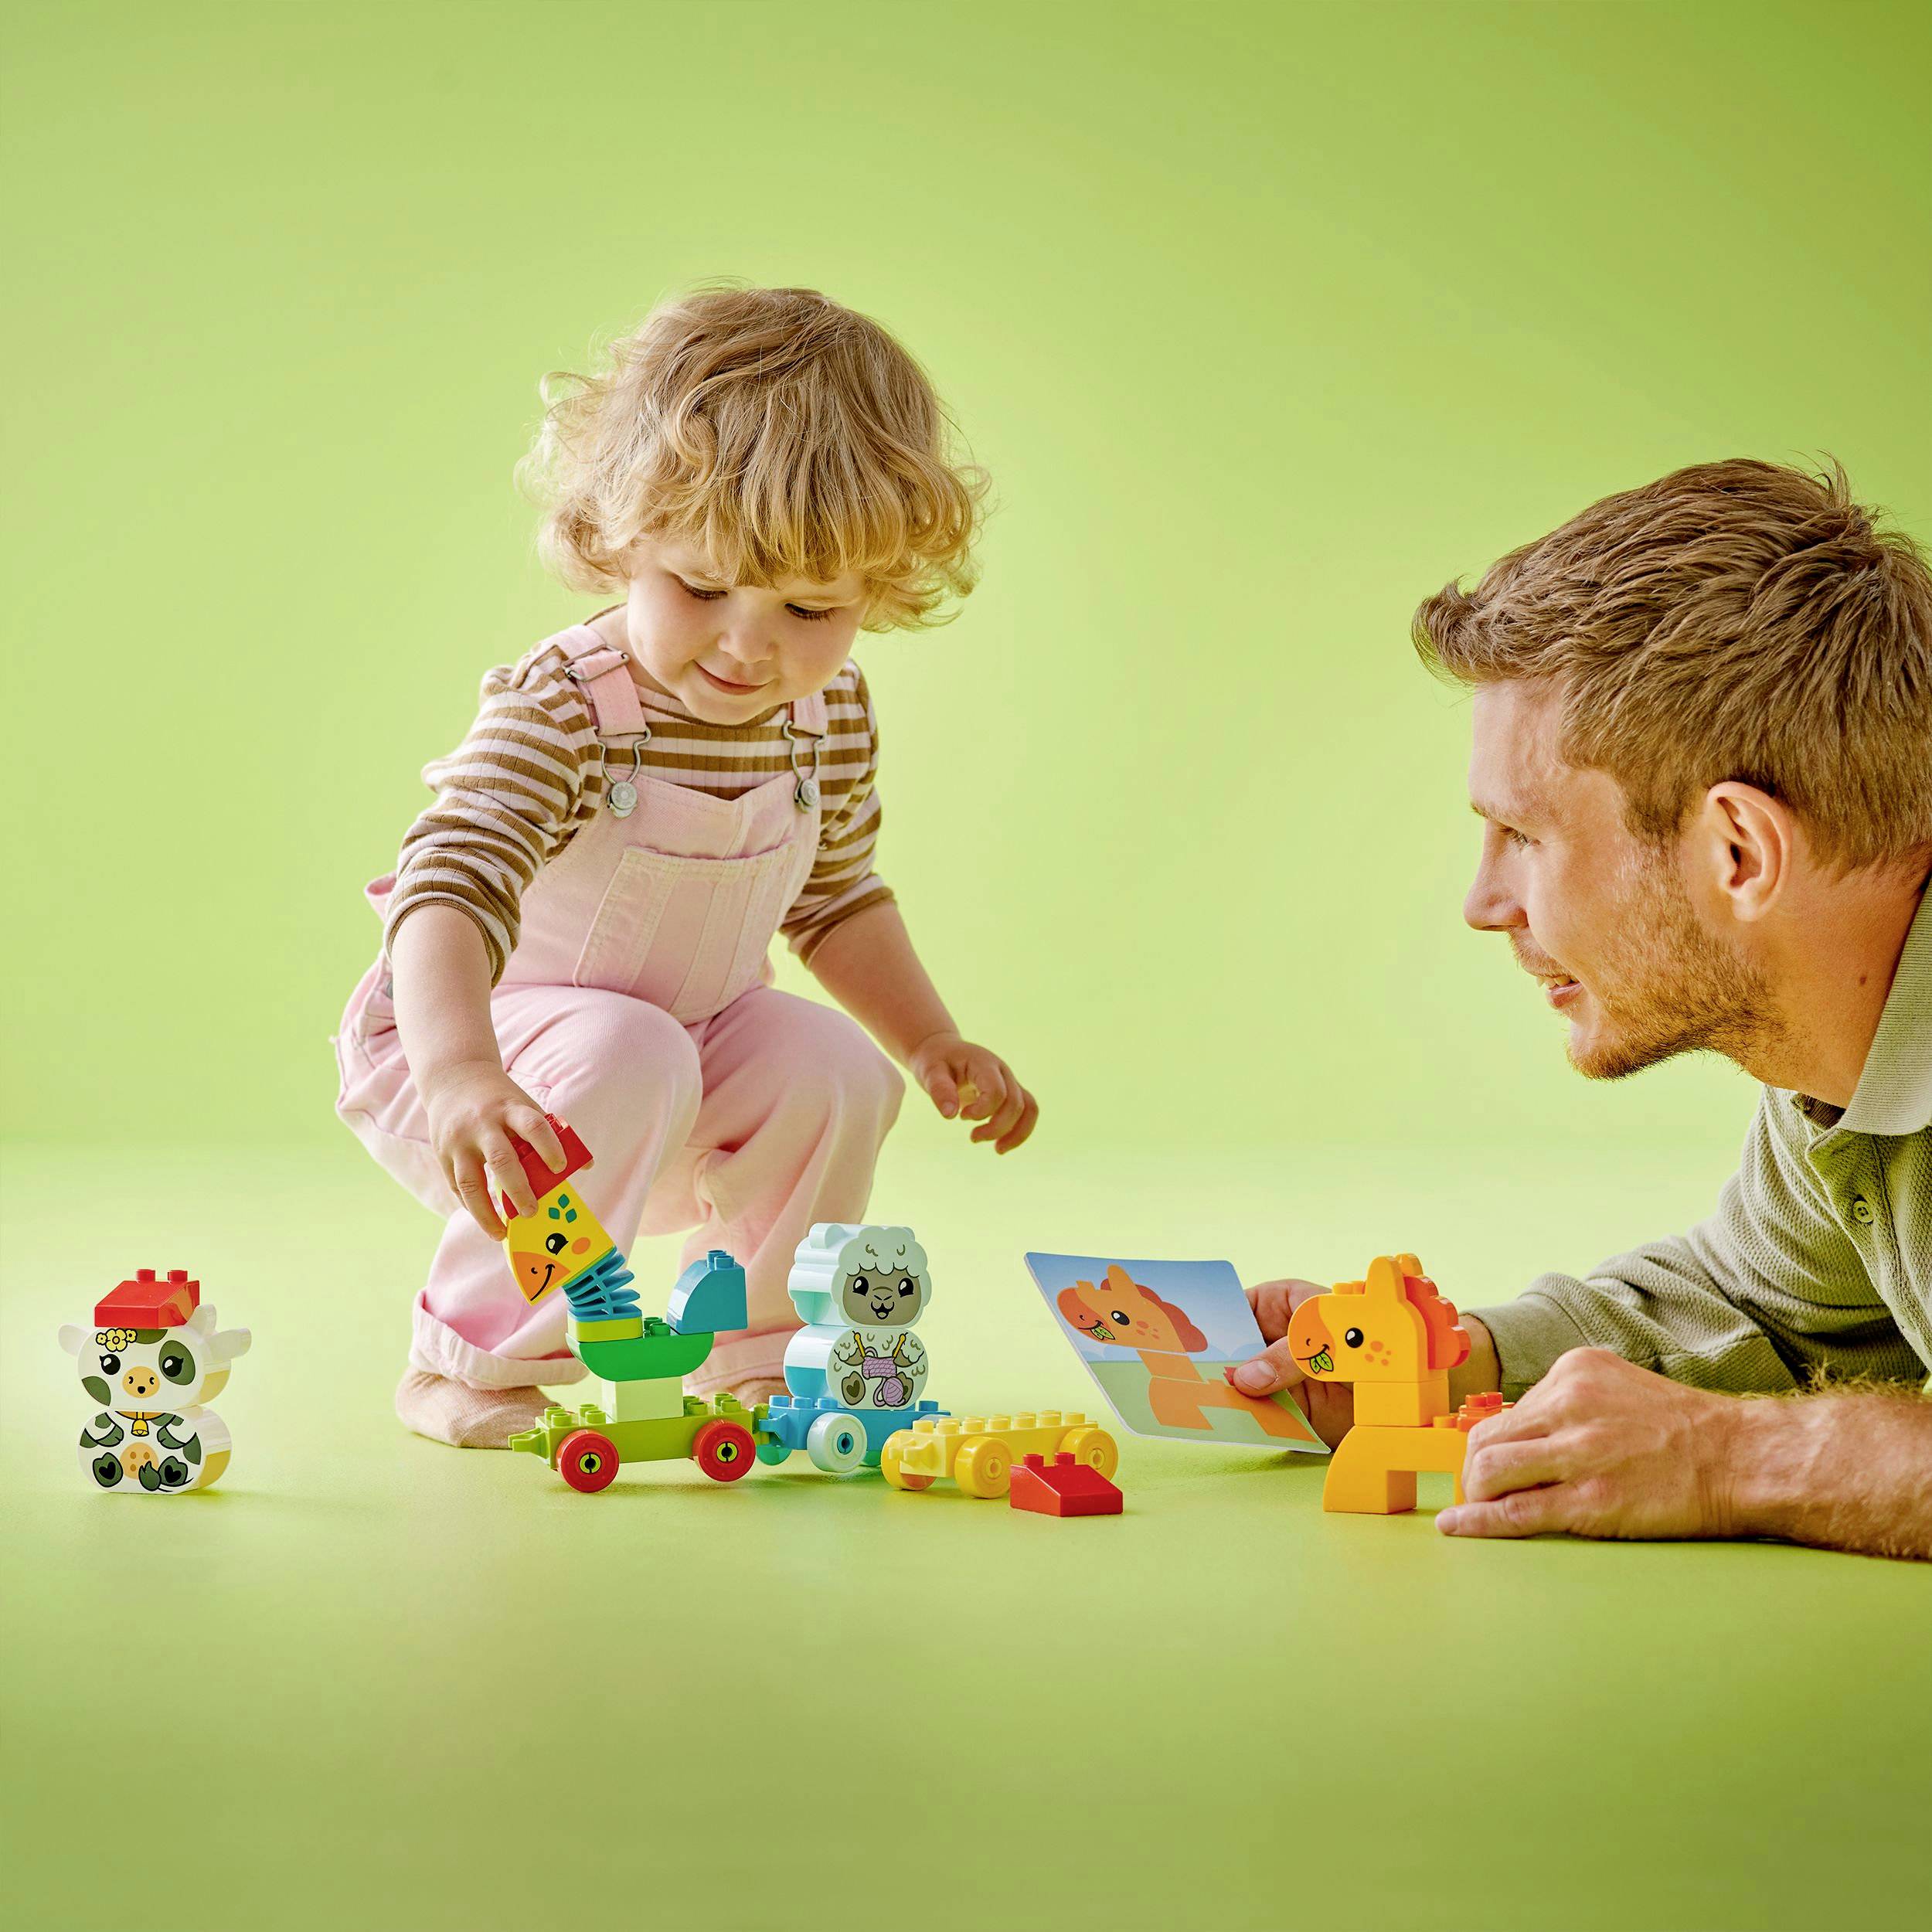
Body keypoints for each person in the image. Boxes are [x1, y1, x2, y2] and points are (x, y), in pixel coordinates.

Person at [334, 285, 1037, 1448]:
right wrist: (463, 1071)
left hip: (679, 1061)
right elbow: (446, 886)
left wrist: (931, 1041)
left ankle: (757, 1352)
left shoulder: (828, 714)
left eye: (811, 607)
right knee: (627, 1046)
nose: (750, 645)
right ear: (622, 539)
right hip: (493, 1062)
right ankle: (468, 1355)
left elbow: (838, 896)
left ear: (878, 588)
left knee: (838, 1072)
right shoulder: (566, 707)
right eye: (702, 589)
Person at [1230, 460, 1932, 1559]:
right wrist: (1446, 1362)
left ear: (1738, 853)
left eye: (1527, 835)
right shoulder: (1849, 1051)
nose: (1481, 903)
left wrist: (1731, 1458)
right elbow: (1757, 1309)